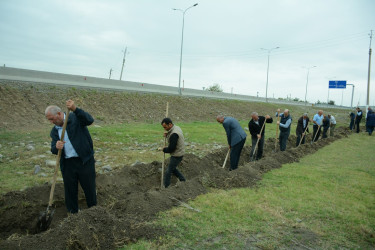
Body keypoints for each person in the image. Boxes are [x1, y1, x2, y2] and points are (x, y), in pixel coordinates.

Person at [45, 100, 97, 214]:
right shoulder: (54, 131)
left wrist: (75, 109)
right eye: (49, 120)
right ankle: (73, 214)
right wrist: (56, 146)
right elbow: (53, 148)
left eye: (52, 119)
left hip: (84, 161)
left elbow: (89, 120)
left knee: (89, 188)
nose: (51, 122)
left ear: (59, 114)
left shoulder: (75, 118)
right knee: (70, 190)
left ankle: (94, 212)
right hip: (68, 164)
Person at [161, 118, 186, 188]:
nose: (164, 129)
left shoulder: (174, 134)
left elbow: (171, 149)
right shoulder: (176, 128)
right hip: (180, 152)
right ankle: (183, 180)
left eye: (165, 127)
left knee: (168, 171)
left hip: (177, 154)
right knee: (173, 168)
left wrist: (164, 149)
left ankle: (166, 187)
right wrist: (167, 134)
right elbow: (172, 137)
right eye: (163, 127)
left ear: (170, 124)